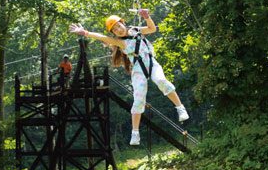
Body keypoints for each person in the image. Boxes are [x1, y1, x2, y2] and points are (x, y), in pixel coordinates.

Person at [69, 9, 189, 146]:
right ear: (113, 33)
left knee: (162, 81)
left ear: (123, 23)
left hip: (151, 63)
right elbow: (102, 38)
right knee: (138, 99)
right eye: (115, 29)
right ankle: (135, 133)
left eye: (119, 25)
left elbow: (151, 29)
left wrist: (147, 17)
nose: (119, 30)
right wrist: (85, 33)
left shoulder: (136, 30)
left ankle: (180, 108)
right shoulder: (120, 43)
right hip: (138, 69)